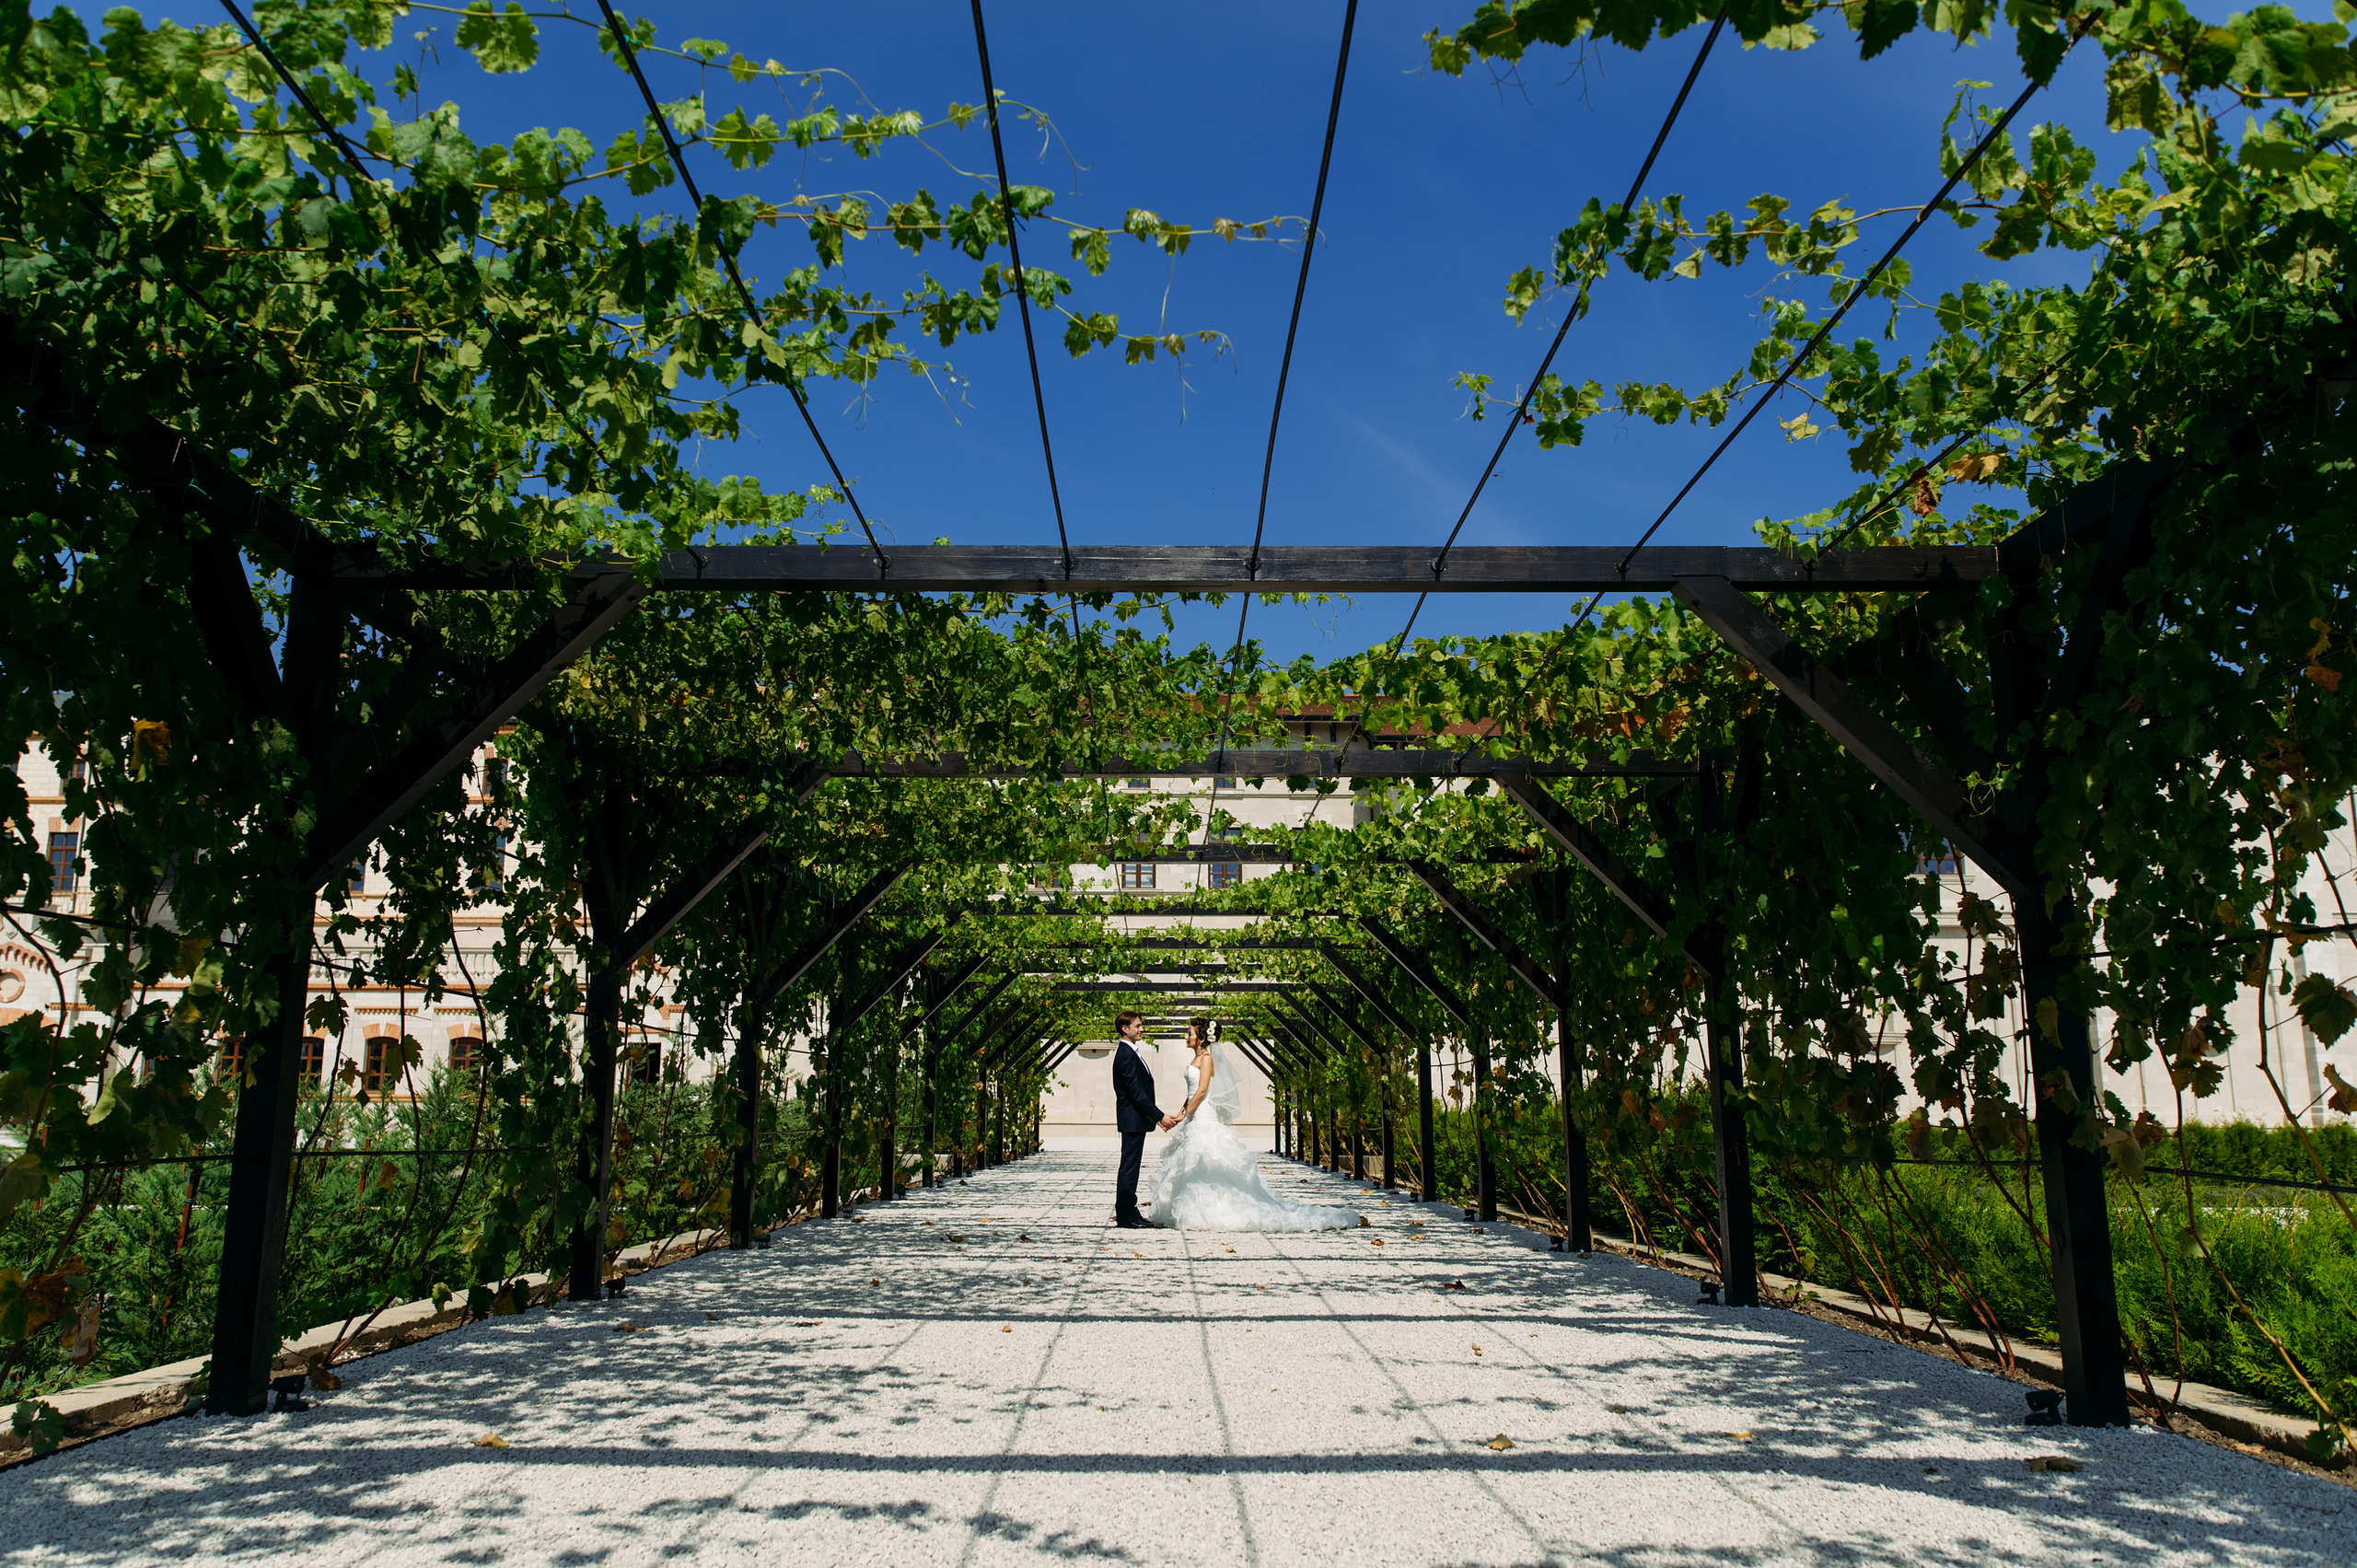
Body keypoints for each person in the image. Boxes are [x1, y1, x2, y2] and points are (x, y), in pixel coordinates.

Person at [1149, 1016, 1345, 1232]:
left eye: (1190, 1033)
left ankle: (1208, 1211)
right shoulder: (1196, 1058)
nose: (1186, 1037)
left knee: (1205, 1161)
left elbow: (1202, 1091)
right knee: (1190, 1164)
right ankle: (1191, 1210)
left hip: (1204, 1116)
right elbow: (1191, 1092)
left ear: (1202, 1039)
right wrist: (1180, 1115)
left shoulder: (1206, 1059)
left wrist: (1185, 1114)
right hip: (1194, 1116)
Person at [1109, 1011, 1177, 1228]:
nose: (1142, 1029)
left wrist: (1155, 1117)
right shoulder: (1126, 1054)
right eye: (1137, 1026)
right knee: (1129, 1167)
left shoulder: (1131, 1052)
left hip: (1136, 1118)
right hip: (1132, 1119)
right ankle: (1126, 1216)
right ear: (1125, 1029)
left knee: (1132, 1166)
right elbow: (1136, 1092)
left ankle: (1130, 1210)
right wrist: (1159, 1116)